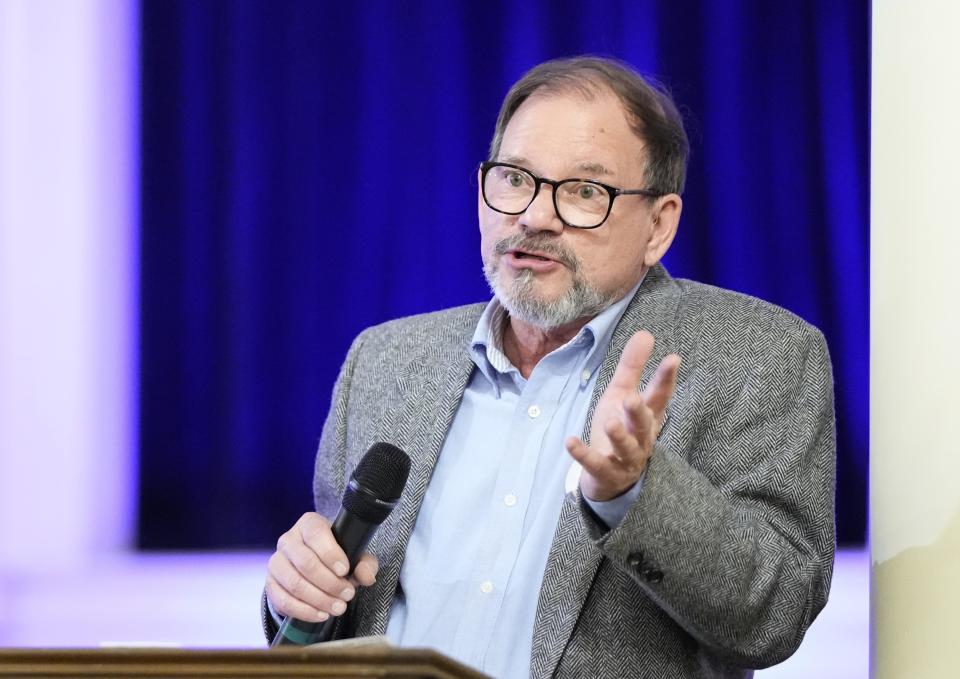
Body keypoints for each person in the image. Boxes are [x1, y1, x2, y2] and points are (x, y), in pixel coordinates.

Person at [262, 56, 835, 679]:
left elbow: (773, 617)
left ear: (659, 225)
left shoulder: (758, 352)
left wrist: (634, 494)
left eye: (585, 191)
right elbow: (330, 617)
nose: (534, 216)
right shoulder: (386, 361)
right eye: (514, 179)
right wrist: (298, 598)